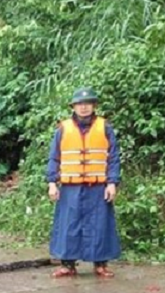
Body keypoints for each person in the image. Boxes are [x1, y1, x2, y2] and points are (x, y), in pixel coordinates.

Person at [47, 87, 121, 278]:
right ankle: (67, 265)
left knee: (100, 223)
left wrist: (112, 183)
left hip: (98, 186)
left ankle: (100, 264)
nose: (84, 108)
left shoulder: (105, 127)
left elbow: (113, 158)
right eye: (80, 104)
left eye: (87, 103)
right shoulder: (63, 129)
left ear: (94, 106)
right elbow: (54, 157)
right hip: (70, 187)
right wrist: (52, 183)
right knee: (69, 224)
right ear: (73, 107)